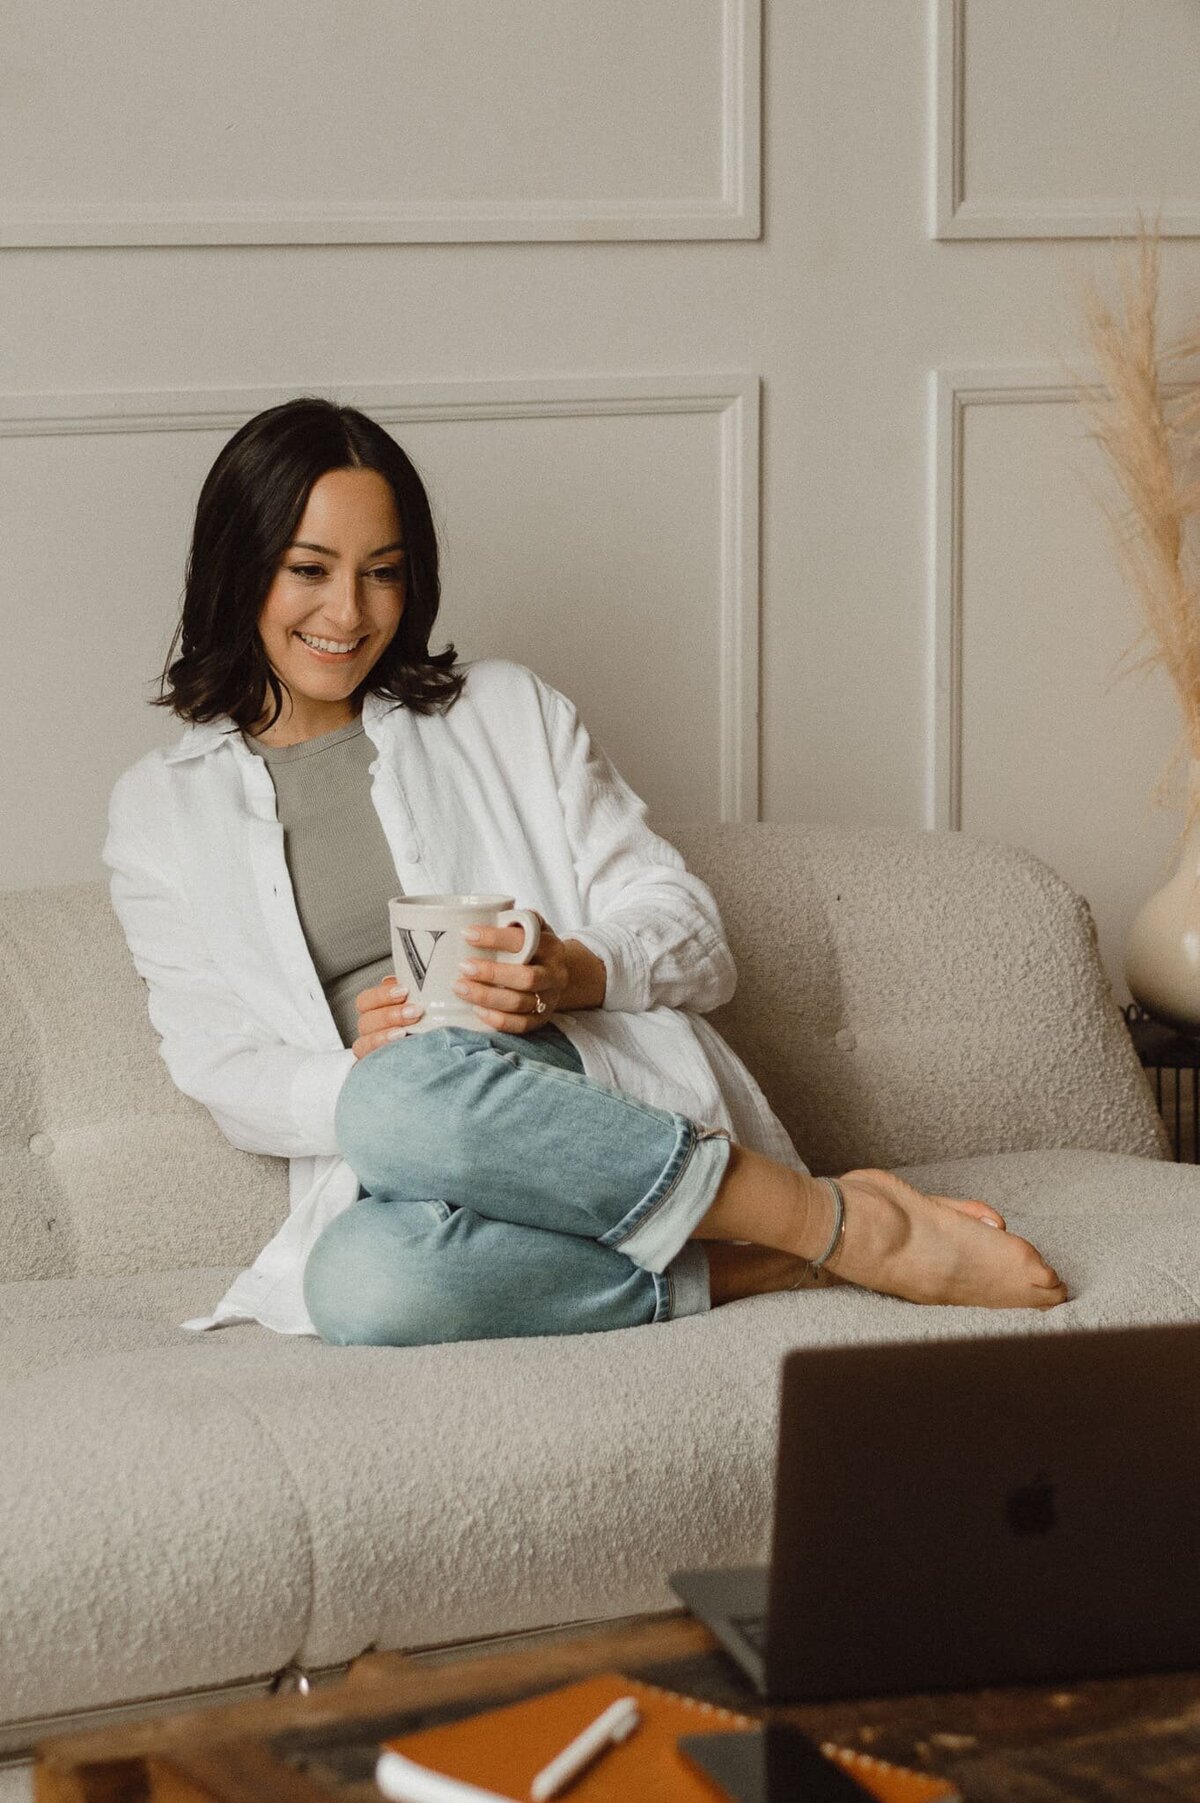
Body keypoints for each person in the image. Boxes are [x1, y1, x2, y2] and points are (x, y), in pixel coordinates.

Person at [103, 397, 1068, 1344]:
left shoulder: (506, 711)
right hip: (407, 1142)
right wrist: (350, 1070)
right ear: (239, 569)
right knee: (362, 1281)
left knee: (405, 1092)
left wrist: (573, 968)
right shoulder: (159, 810)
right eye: (308, 569)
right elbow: (217, 1063)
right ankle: (791, 1248)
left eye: (383, 572)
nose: (349, 612)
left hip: (571, 1087)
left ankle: (844, 1227)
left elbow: (686, 925)